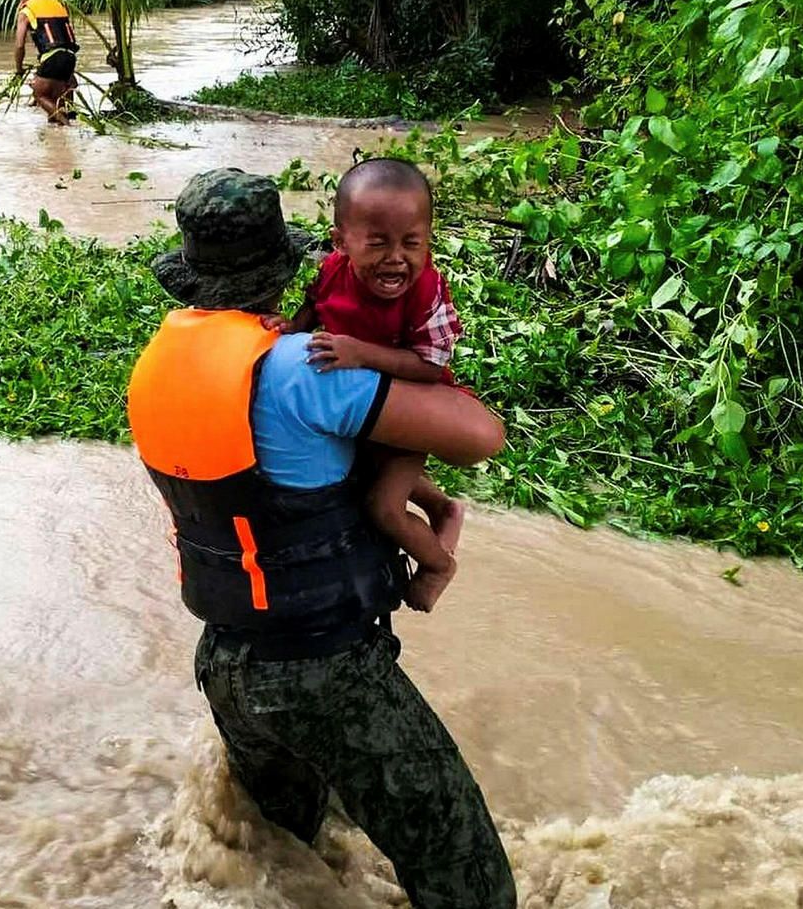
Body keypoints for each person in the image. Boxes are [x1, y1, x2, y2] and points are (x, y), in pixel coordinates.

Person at [126, 169, 516, 909]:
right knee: (469, 877)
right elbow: (481, 436)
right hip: (324, 667)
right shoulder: (299, 367)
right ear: (288, 267)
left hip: (226, 661)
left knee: (288, 862)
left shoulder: (155, 368)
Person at [269, 158, 466, 608]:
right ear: (340, 243)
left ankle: (438, 564)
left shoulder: (428, 291)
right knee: (363, 479)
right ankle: (444, 507)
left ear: (428, 241)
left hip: (412, 410)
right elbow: (310, 316)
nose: (396, 258)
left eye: (412, 243)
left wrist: (359, 353)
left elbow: (431, 366)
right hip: (360, 410)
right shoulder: (330, 272)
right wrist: (286, 329)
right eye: (377, 243)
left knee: (384, 507)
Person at [13, 0, 79, 124]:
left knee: (40, 95)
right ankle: (63, 135)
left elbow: (19, 45)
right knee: (56, 104)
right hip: (70, 56)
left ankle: (68, 126)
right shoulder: (57, 4)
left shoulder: (26, 11)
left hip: (52, 57)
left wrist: (19, 69)